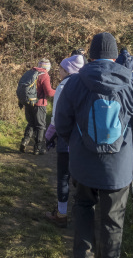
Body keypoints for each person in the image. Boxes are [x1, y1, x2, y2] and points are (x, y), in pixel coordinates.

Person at [55, 32, 133, 257]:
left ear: (91, 55)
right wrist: (125, 147)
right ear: (115, 55)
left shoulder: (75, 82)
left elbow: (62, 124)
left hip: (82, 165)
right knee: (113, 222)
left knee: (82, 211)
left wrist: (78, 143)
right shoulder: (131, 83)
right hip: (118, 169)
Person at [43, 54, 84, 227]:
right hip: (84, 141)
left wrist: (48, 135)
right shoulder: (85, 84)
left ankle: (61, 214)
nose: (58, 72)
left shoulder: (64, 86)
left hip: (66, 140)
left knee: (63, 177)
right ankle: (83, 213)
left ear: (68, 70)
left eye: (61, 69)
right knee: (81, 177)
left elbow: (57, 116)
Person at [19, 58, 56, 155]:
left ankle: (24, 141)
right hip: (39, 104)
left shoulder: (30, 72)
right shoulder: (44, 75)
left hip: (28, 102)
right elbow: (49, 92)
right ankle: (38, 148)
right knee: (40, 126)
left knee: (31, 123)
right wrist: (59, 91)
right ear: (47, 67)